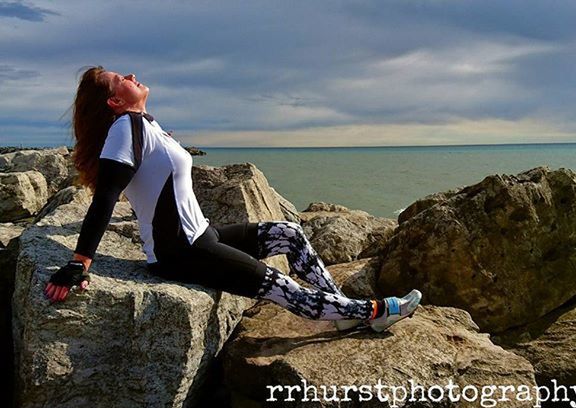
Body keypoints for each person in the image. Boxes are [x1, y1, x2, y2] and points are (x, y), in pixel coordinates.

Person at [44, 66, 421, 332]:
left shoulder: (147, 126)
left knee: (289, 233)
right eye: (119, 80)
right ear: (114, 103)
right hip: (180, 253)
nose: (129, 76)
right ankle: (375, 310)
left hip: (204, 236)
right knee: (281, 285)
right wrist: (80, 262)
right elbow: (106, 197)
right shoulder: (125, 129)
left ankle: (342, 311)